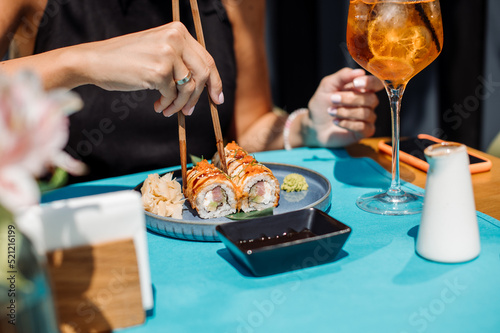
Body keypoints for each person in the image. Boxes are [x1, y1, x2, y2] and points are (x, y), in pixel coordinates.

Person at [0, 0, 383, 182]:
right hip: (80, 240)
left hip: (207, 237)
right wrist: (83, 64)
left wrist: (305, 127)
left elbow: (245, 128)